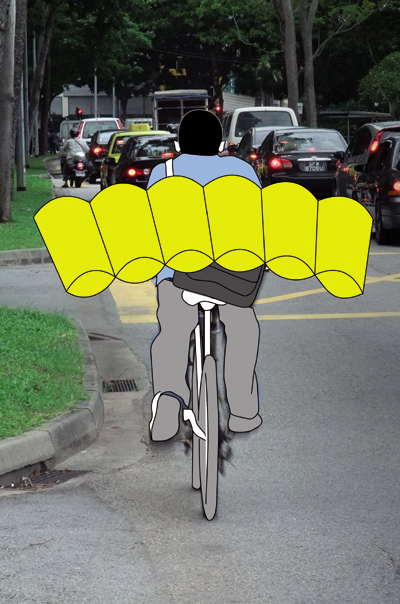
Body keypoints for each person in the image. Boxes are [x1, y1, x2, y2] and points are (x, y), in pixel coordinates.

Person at [148, 109, 263, 441]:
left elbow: (153, 224)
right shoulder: (242, 171)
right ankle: (243, 411)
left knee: (172, 333)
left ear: (178, 144)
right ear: (222, 145)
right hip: (231, 275)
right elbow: (257, 222)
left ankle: (168, 405)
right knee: (243, 329)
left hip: (176, 275)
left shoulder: (163, 172)